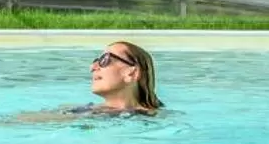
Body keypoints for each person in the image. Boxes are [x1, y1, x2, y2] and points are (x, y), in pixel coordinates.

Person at [9, 40, 164, 122]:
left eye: (105, 59)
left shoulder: (153, 119)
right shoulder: (86, 110)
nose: (93, 67)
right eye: (96, 60)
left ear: (132, 72)